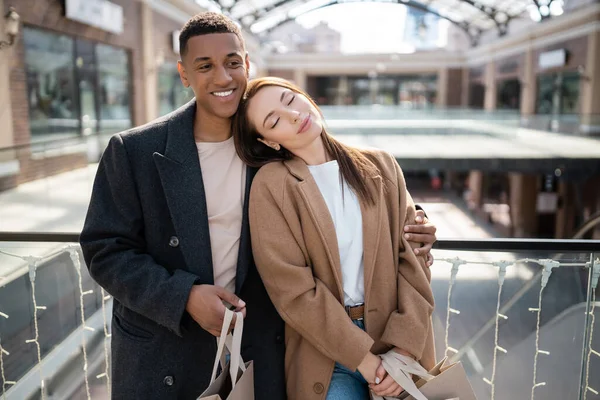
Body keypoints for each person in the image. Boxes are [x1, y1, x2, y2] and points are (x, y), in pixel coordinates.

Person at [80, 12, 437, 400]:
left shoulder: (270, 149)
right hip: (168, 344)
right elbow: (105, 250)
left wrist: (416, 219)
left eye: (233, 63)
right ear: (184, 74)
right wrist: (183, 297)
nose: (223, 77)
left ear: (247, 65)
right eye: (205, 66)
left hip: (259, 347)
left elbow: (346, 188)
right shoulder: (133, 151)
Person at [233, 77, 436, 400]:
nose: (294, 115)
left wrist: (405, 349)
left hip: (397, 338)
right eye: (274, 121)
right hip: (328, 352)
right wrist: (366, 362)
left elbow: (412, 258)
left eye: (290, 100)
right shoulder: (272, 186)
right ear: (269, 141)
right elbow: (293, 291)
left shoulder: (380, 165)